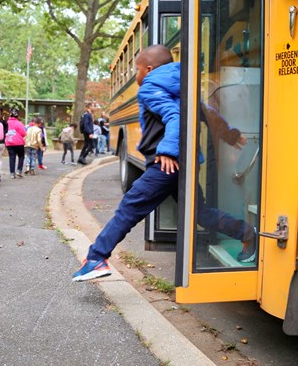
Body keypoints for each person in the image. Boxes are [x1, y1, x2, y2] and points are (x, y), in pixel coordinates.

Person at [73, 45, 256, 281]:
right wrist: (229, 134)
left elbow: (174, 116)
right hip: (185, 163)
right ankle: (248, 233)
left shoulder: (150, 85)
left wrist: (169, 151)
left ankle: (96, 258)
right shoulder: (183, 86)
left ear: (148, 69)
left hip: (166, 164)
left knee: (130, 206)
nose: (136, 76)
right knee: (199, 213)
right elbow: (207, 112)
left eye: (136, 70)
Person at [5, 108, 26, 178]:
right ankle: (19, 170)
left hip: (9, 142)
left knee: (12, 157)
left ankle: (12, 173)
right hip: (19, 142)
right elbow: (23, 133)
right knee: (21, 156)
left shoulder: (7, 123)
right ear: (17, 116)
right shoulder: (19, 123)